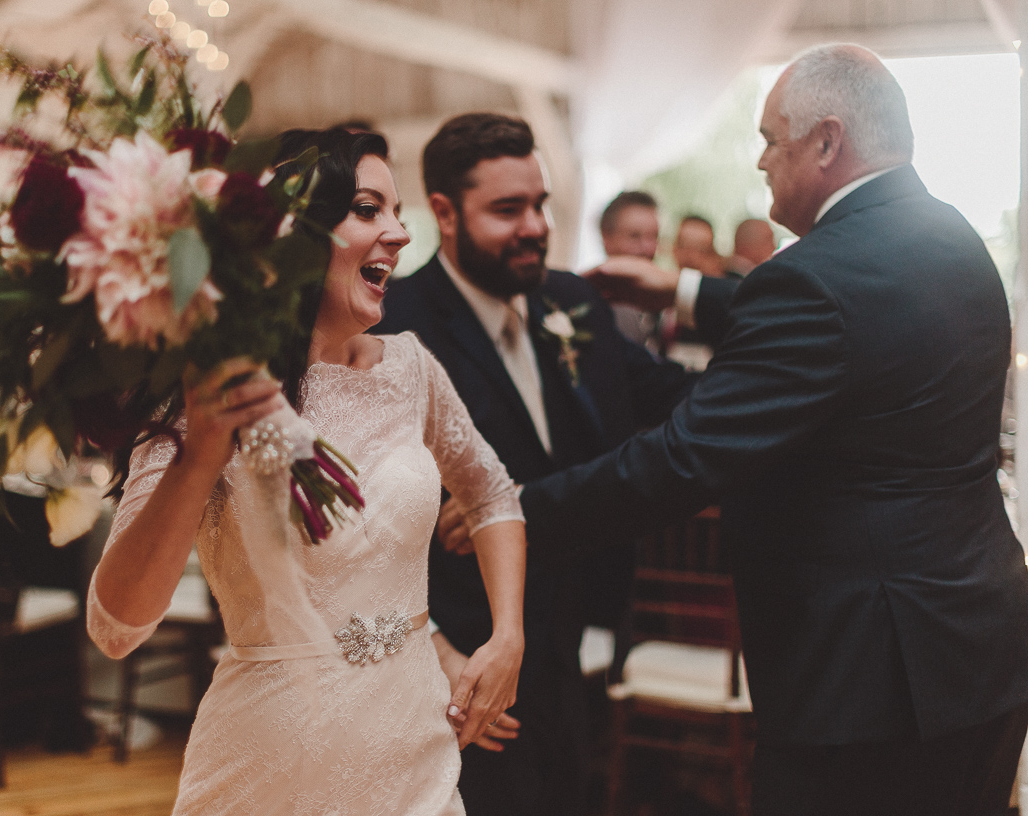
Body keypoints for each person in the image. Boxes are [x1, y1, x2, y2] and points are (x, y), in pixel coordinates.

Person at [521, 44, 1028, 815]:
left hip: (868, 691)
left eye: (770, 139)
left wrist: (516, 514)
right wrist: (688, 291)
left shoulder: (815, 278)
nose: (759, 162)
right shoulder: (949, 238)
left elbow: (684, 460)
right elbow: (863, 324)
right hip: (979, 657)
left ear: (826, 142)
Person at [86, 128, 526, 815]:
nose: (399, 234)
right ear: (291, 237)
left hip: (416, 754)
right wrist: (202, 451)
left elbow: (492, 493)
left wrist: (505, 637)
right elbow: (116, 628)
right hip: (270, 769)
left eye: (397, 212)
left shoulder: (412, 369)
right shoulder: (209, 391)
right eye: (367, 209)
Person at [375, 114, 699, 816]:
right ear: (443, 213)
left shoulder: (572, 303)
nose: (534, 226)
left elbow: (681, 400)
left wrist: (720, 308)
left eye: (540, 205)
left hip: (574, 637)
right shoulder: (397, 327)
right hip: (461, 662)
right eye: (507, 209)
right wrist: (436, 651)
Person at [598, 190, 663, 349]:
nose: (648, 248)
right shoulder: (593, 299)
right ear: (607, 238)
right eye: (635, 236)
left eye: (653, 236)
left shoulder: (660, 302)